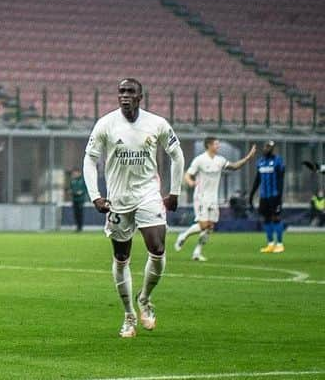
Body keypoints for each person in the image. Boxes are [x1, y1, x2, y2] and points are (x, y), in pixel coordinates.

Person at [83, 78, 184, 338]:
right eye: (121, 92)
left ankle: (145, 299)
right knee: (121, 257)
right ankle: (129, 315)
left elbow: (177, 155)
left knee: (158, 249)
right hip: (117, 200)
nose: (125, 96)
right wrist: (95, 196)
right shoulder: (106, 124)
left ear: (140, 97)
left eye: (130, 92)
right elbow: (90, 160)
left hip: (148, 195)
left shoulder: (157, 123)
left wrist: (174, 192)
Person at [175, 139, 256, 261]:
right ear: (209, 145)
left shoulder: (220, 160)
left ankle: (197, 252)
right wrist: (191, 182)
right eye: (216, 144)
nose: (218, 146)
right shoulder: (200, 160)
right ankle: (184, 235)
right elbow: (188, 174)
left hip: (213, 197)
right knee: (203, 225)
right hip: (201, 196)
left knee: (210, 227)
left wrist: (248, 157)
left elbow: (234, 166)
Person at [249, 140, 286, 254]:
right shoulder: (260, 162)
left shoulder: (278, 161)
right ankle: (270, 244)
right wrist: (251, 195)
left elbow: (281, 180)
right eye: (266, 147)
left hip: (274, 196)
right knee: (266, 219)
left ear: (272, 149)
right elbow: (257, 180)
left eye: (269, 147)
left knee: (276, 218)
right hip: (263, 196)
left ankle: (279, 244)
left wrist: (279, 196)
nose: (267, 149)